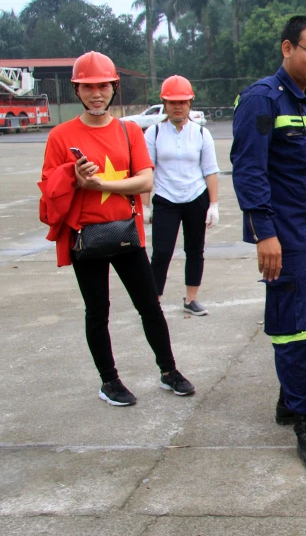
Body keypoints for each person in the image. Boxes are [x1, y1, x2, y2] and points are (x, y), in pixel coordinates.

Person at [230, 16, 306, 475]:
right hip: (287, 239)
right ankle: (304, 420)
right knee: (292, 328)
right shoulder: (263, 99)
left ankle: (291, 401)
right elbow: (249, 169)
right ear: (288, 48)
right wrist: (265, 233)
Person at [39, 51, 195, 406]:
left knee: (149, 306)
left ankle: (169, 371)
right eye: (89, 86)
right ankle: (109, 381)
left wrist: (100, 186)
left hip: (126, 233)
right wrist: (72, 178)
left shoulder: (128, 131)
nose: (97, 93)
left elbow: (145, 181)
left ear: (114, 88)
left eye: (103, 86)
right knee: (98, 311)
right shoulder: (61, 136)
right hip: (86, 237)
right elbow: (49, 189)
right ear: (77, 90)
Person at [143, 75, 220, 316]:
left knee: (195, 250)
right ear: (164, 103)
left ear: (190, 103)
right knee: (162, 252)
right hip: (166, 199)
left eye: (183, 102)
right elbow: (147, 172)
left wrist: (213, 205)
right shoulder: (154, 133)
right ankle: (153, 301)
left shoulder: (200, 134)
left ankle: (191, 298)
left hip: (196, 197)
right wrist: (145, 206)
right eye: (172, 102)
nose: (178, 107)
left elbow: (210, 171)